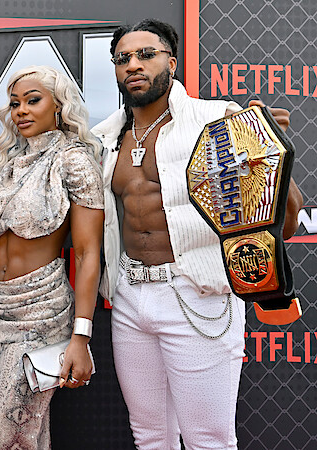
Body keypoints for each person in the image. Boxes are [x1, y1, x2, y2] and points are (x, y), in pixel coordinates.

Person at [92, 19, 304, 449]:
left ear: (171, 61)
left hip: (197, 292)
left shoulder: (219, 119)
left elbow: (288, 220)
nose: (133, 65)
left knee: (209, 438)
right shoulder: (102, 138)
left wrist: (267, 155)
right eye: (123, 58)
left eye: (146, 55)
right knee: (150, 435)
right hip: (130, 296)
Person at [0, 65, 105, 449]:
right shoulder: (9, 167)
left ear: (58, 106)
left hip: (39, 312)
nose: (21, 110)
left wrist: (81, 337)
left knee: (7, 438)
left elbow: (86, 254)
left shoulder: (74, 160)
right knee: (22, 436)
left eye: (33, 100)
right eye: (15, 103)